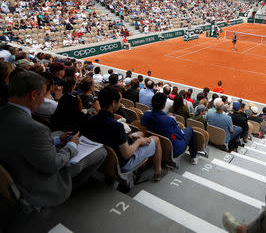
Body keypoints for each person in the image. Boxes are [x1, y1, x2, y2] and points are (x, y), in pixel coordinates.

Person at [0, 70, 106, 207]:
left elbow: (23, 140)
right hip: (37, 186)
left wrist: (56, 141)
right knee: (101, 152)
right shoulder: (36, 129)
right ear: (33, 95)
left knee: (59, 133)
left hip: (14, 166)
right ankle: (72, 187)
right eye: (43, 95)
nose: (43, 99)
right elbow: (53, 165)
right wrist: (71, 146)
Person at [86, 86, 164, 181]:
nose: (120, 104)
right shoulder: (117, 126)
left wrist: (130, 137)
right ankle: (158, 173)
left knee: (139, 133)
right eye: (119, 101)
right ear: (113, 103)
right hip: (123, 163)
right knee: (156, 139)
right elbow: (127, 154)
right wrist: (138, 142)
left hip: (105, 160)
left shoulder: (91, 119)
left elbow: (108, 137)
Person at [141, 93, 198, 164]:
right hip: (173, 149)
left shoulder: (146, 114)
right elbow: (181, 135)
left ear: (152, 103)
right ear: (164, 105)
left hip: (152, 143)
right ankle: (194, 156)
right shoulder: (169, 120)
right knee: (190, 129)